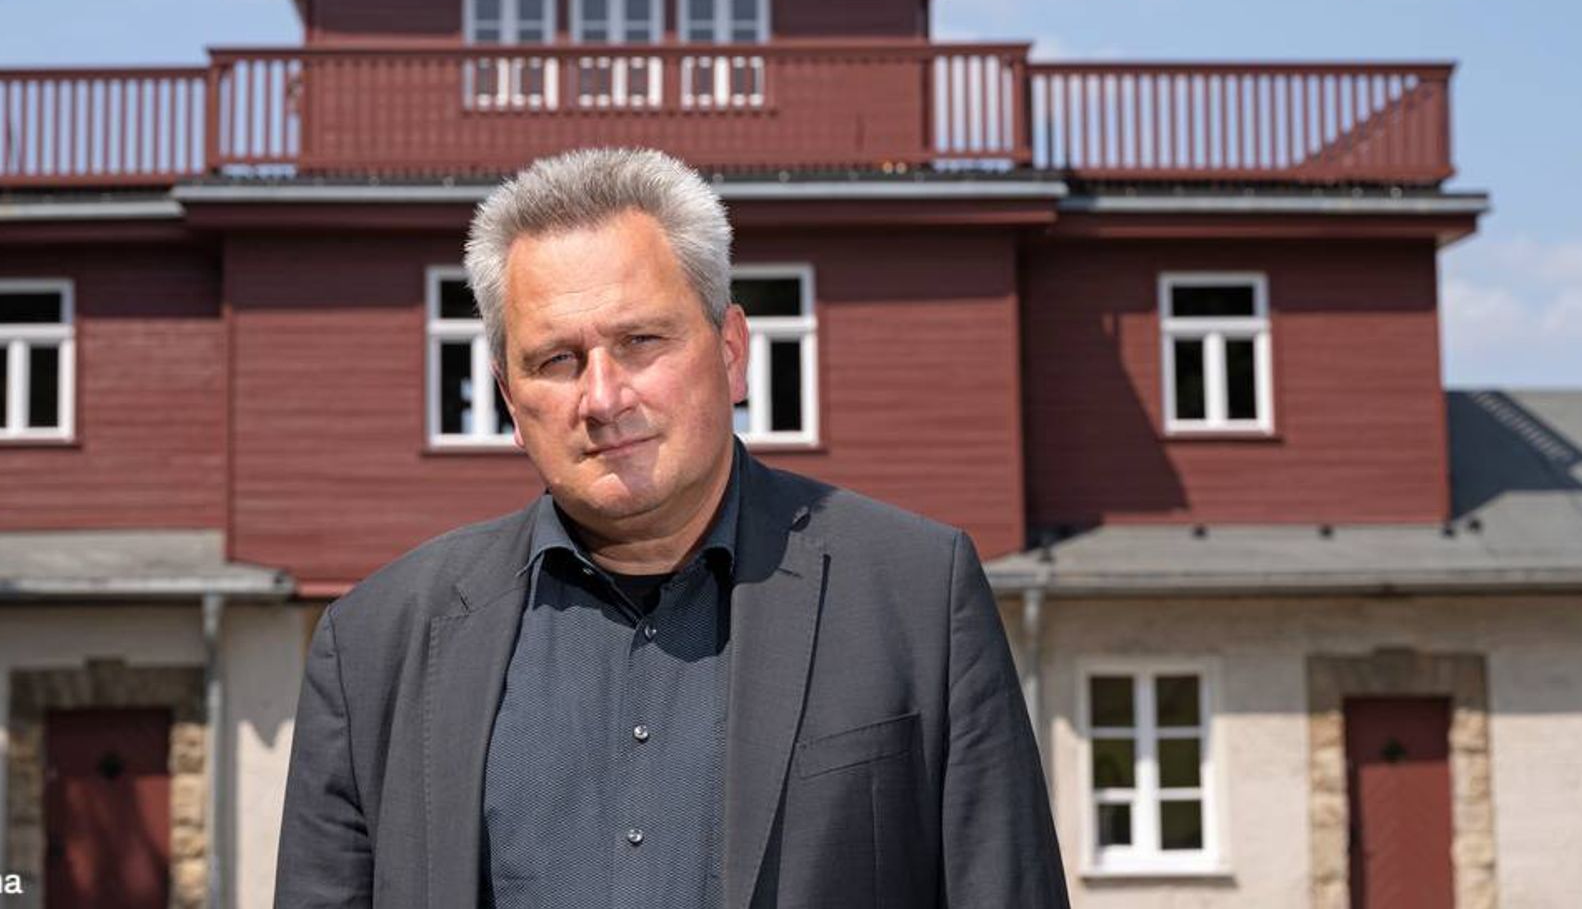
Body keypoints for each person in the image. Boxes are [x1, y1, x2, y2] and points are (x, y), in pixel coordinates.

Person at [276, 147, 1070, 907]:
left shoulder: (918, 597)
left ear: (730, 351)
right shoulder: (374, 645)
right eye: (556, 360)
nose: (602, 397)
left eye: (640, 340)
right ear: (511, 404)